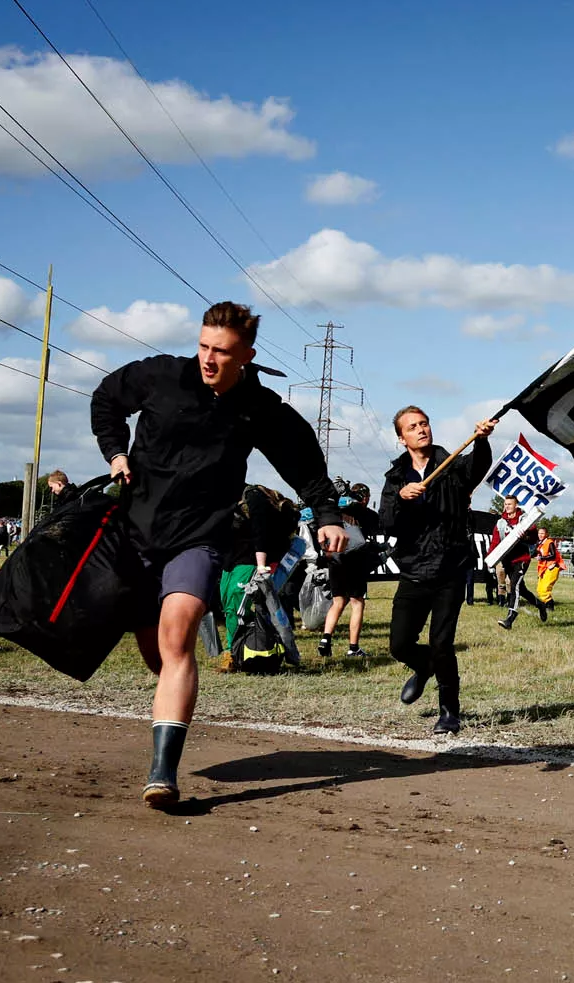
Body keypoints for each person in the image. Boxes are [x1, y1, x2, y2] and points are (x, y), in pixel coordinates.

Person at [91, 301, 346, 808]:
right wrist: (116, 452)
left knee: (179, 632)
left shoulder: (259, 407)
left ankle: (162, 773)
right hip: (137, 532)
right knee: (161, 656)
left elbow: (303, 458)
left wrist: (328, 514)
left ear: (246, 355)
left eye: (222, 352)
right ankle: (175, 696)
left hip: (200, 536)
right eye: (204, 346)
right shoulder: (161, 375)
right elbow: (105, 399)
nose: (209, 359)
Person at [381, 406, 498, 734]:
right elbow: (387, 521)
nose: (421, 430)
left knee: (442, 643)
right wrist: (403, 497)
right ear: (401, 438)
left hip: (450, 567)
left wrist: (483, 440)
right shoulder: (395, 478)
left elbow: (478, 467)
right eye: (412, 427)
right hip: (413, 569)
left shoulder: (452, 465)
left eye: (424, 423)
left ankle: (449, 711)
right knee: (399, 646)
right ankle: (424, 667)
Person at [216, 484, 298, 671]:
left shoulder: (253, 495)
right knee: (230, 608)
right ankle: (245, 648)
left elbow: (259, 530)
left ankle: (236, 653)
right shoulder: (228, 498)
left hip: (249, 561)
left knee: (238, 609)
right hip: (232, 562)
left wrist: (261, 565)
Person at [319, 483, 380, 658]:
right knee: (357, 602)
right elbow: (373, 526)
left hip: (335, 558)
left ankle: (325, 639)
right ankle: (353, 648)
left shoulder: (335, 510)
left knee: (338, 602)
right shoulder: (362, 512)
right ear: (365, 497)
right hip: (355, 559)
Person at [491, 495, 547, 630]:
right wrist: (490, 559)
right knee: (521, 589)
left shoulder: (524, 520)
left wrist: (526, 536)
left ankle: (510, 618)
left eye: (509, 504)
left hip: (522, 559)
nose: (506, 506)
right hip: (507, 560)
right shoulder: (500, 523)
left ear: (516, 505)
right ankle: (540, 605)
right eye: (505, 504)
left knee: (514, 585)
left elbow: (533, 538)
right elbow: (495, 542)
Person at [535, 525, 563, 610]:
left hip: (552, 567)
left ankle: (550, 606)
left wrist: (542, 558)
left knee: (545, 589)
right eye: (539, 533)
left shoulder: (549, 542)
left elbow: (553, 555)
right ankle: (546, 605)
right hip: (545, 568)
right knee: (539, 589)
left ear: (546, 534)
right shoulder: (540, 543)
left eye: (542, 533)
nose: (540, 535)